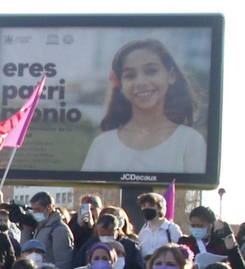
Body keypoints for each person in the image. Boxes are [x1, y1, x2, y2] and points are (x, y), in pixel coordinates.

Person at [81, 38, 207, 174]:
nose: (140, 82)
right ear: (120, 84)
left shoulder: (190, 141)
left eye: (151, 71)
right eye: (130, 75)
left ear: (171, 76)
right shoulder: (102, 144)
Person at [28, 192, 75, 268]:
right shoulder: (42, 226)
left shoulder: (59, 230)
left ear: (49, 208)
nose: (34, 213)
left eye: (37, 209)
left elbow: (63, 263)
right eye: (33, 209)